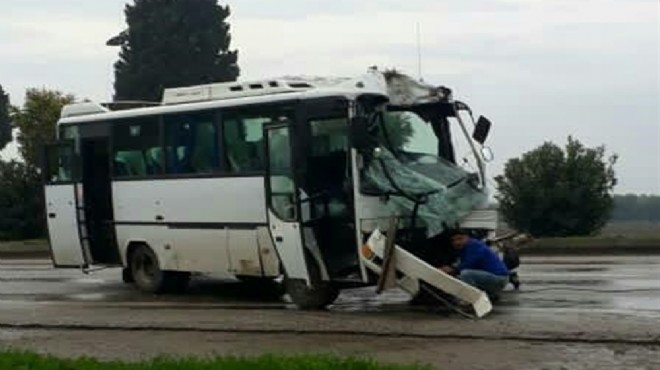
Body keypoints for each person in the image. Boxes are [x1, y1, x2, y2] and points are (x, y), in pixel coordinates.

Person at [440, 229, 509, 300]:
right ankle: (489, 295)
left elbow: (470, 263)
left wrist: (452, 269)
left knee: (466, 274)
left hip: (499, 279)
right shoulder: (465, 249)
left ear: (468, 237)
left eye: (460, 238)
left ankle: (471, 300)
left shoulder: (474, 245)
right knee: (460, 276)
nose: (457, 242)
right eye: (453, 240)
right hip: (493, 277)